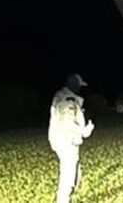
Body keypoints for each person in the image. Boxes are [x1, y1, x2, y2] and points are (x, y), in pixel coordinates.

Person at [48, 73, 95, 203]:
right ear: (73, 85)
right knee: (68, 175)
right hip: (66, 141)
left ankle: (67, 195)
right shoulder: (68, 99)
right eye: (79, 86)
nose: (80, 89)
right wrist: (84, 131)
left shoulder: (62, 96)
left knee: (74, 172)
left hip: (62, 140)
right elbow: (68, 122)